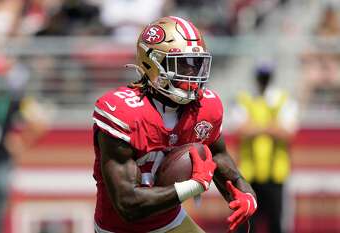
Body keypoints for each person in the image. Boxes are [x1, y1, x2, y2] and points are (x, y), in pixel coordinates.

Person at [92, 16, 257, 233]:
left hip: (171, 222)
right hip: (119, 228)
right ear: (151, 63)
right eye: (182, 65)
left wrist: (245, 194)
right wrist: (193, 186)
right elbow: (127, 204)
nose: (192, 75)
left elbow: (218, 157)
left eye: (196, 64)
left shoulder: (205, 107)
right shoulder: (122, 111)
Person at [232, 62, 298, 233]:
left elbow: (287, 132)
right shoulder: (245, 98)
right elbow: (240, 130)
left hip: (275, 173)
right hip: (249, 173)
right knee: (247, 223)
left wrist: (256, 127)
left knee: (276, 223)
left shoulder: (283, 99)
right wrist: (270, 127)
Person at [0, 56, 46, 233]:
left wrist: (21, 142)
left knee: (2, 204)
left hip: (1, 162)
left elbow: (39, 122)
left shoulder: (14, 100)